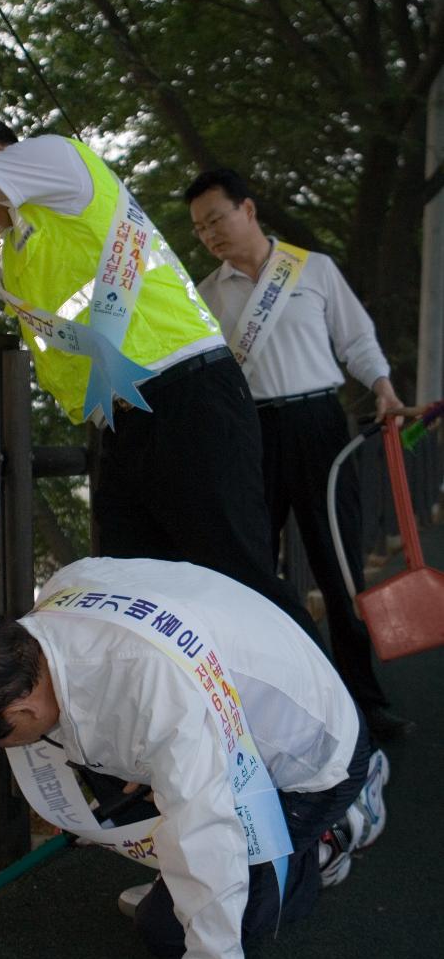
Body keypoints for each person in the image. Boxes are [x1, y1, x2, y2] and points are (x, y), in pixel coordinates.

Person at [0, 555, 388, 959]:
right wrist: (149, 754)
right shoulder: (56, 603)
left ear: (19, 712)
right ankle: (199, 805)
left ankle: (336, 832)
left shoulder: (153, 693)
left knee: (169, 932)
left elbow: (207, 833)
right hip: (228, 712)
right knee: (139, 792)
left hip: (311, 761)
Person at [0, 113, 317, 632]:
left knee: (241, 582)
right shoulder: (3, 255)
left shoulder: (56, 159)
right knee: (144, 599)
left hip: (187, 392)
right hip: (119, 424)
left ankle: (342, 715)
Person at [185, 168, 412, 742]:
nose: (210, 234)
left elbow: (356, 339)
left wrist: (383, 385)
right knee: (260, 570)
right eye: (199, 228)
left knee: (339, 565)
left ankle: (366, 703)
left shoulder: (314, 271)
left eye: (217, 218)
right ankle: (290, 710)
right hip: (250, 436)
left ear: (249, 210)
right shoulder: (204, 295)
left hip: (320, 427)